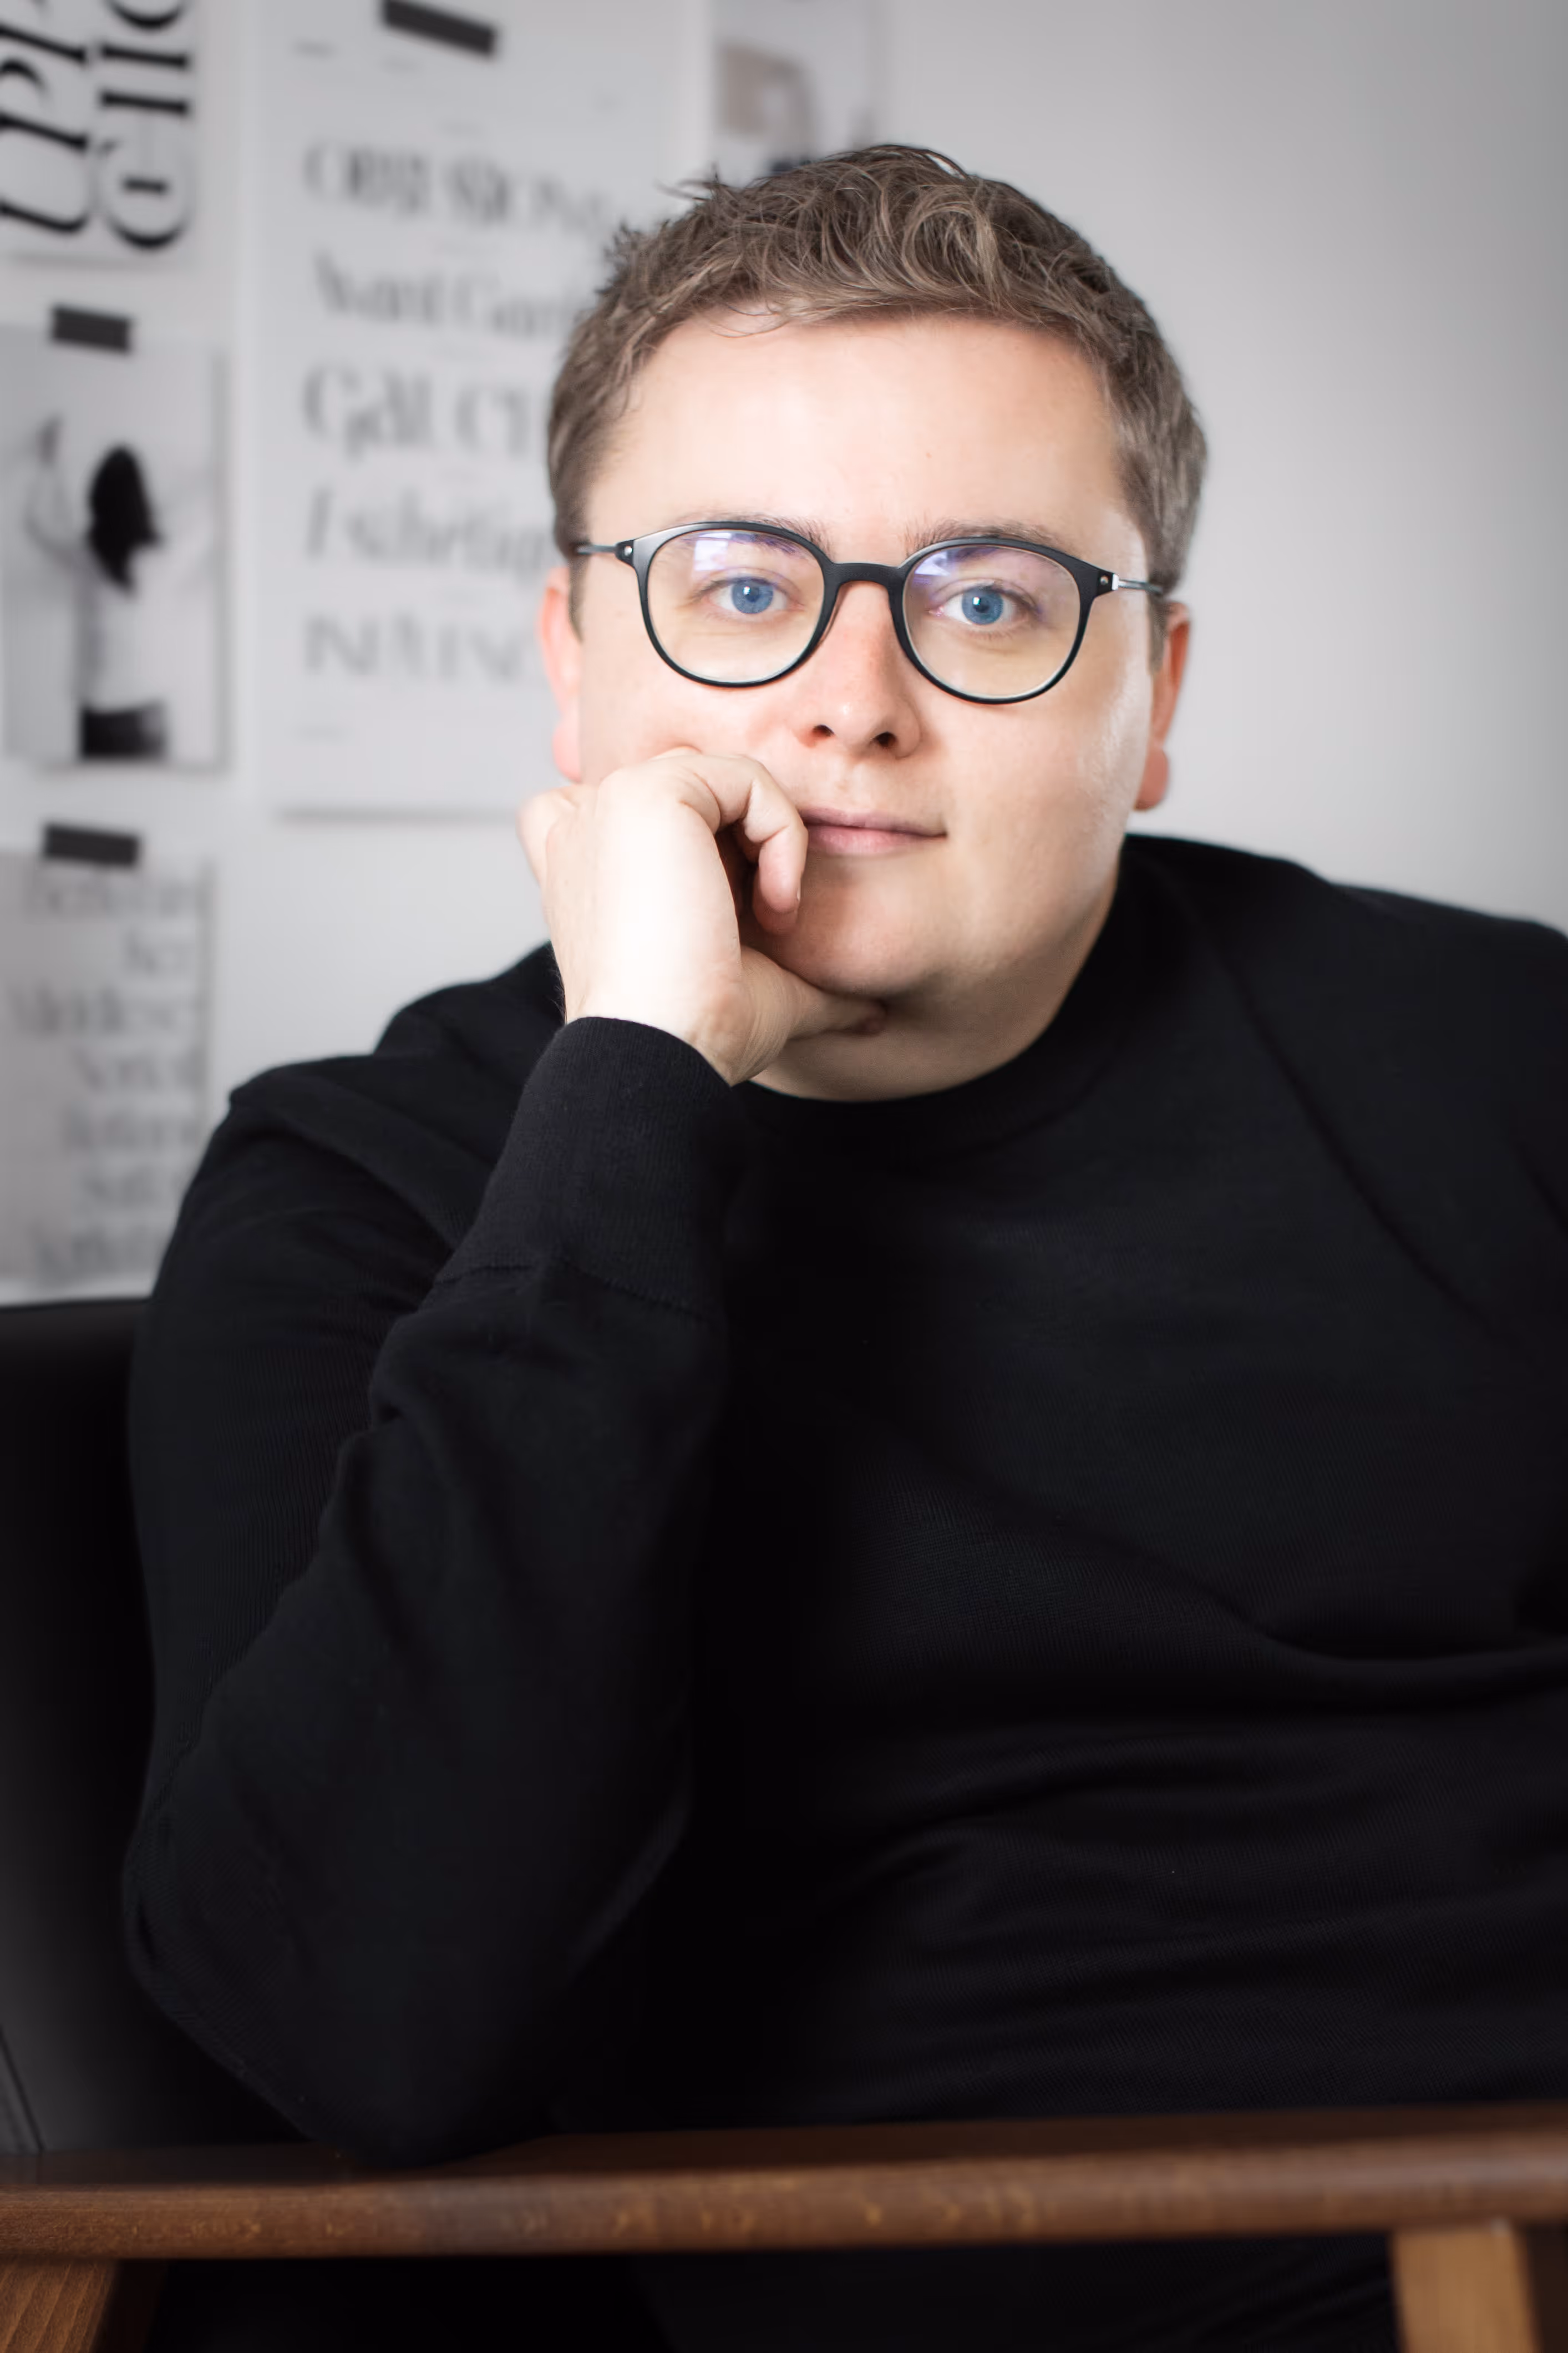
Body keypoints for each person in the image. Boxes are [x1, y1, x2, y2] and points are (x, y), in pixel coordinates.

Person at [125, 148, 1568, 2352]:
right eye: (734, 587)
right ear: (571, 659)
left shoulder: (1495, 1051)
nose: (846, 701)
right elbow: (370, 2028)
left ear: (1153, 693)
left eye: (985, 601)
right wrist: (631, 1088)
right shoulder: (372, 1185)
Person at [23, 423, 189, 761]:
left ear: (97, 499)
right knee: (156, 807)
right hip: (148, 707)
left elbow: (38, 521)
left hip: (100, 708)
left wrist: (50, 463)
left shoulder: (84, 556)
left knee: (99, 806)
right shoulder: (161, 557)